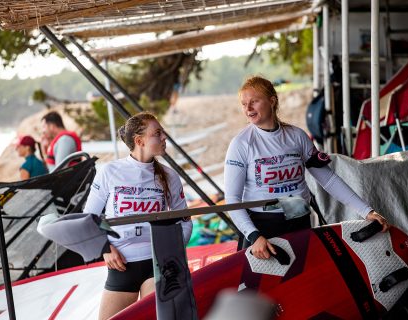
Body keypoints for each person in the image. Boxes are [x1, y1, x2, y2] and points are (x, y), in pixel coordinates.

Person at [224, 76, 389, 259]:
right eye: (244, 104)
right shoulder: (241, 144)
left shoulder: (297, 136)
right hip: (262, 228)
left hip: (299, 219)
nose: (248, 109)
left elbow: (329, 179)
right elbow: (232, 199)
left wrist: (367, 211)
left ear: (272, 100)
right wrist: (254, 236)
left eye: (254, 101)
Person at [83, 111, 192, 320]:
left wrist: (172, 252)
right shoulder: (110, 171)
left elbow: (185, 220)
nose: (164, 138)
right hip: (121, 264)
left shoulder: (170, 176)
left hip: (157, 263)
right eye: (157, 133)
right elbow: (89, 219)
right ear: (139, 141)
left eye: (163, 133)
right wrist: (105, 249)